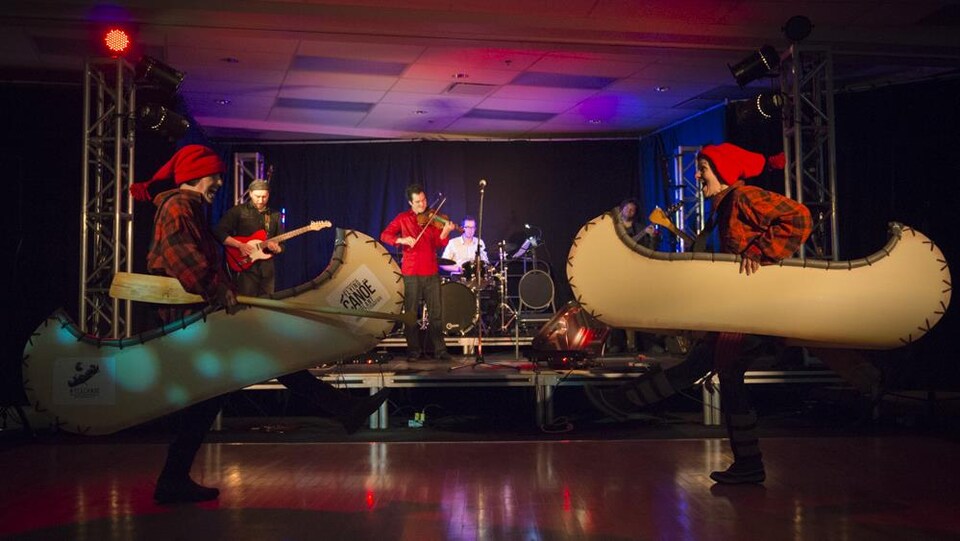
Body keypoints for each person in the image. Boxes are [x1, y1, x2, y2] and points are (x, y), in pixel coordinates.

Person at [131, 146, 388, 505]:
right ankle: (343, 409)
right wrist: (218, 288)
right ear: (194, 176)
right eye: (214, 176)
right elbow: (180, 258)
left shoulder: (187, 206)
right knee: (266, 356)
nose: (219, 182)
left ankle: (172, 480)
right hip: (192, 318)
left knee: (223, 389)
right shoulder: (178, 207)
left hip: (199, 315)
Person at [587, 143, 812, 485]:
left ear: (721, 172)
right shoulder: (723, 207)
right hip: (734, 310)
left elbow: (799, 217)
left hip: (746, 312)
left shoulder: (743, 197)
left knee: (715, 372)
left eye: (703, 168)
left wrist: (760, 250)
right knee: (715, 373)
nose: (697, 175)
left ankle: (625, 401)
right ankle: (747, 461)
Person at [380, 184, 456, 361]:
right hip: (411, 272)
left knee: (436, 314)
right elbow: (385, 235)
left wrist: (445, 231)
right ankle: (414, 350)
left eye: (424, 200)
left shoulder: (433, 218)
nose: (422, 204)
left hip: (431, 271)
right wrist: (402, 239)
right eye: (418, 202)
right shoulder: (402, 218)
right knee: (411, 314)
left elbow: (439, 242)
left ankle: (440, 350)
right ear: (410, 202)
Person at [213, 179, 283, 296]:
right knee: (246, 303)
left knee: (268, 304)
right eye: (257, 196)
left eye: (264, 197)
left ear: (269, 195)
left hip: (267, 269)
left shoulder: (275, 215)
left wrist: (277, 248)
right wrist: (240, 245)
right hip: (245, 266)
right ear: (250, 193)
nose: (261, 200)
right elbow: (219, 231)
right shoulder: (238, 211)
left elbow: (282, 245)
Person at [440, 215, 489, 286]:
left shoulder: (479, 242)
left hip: (475, 279)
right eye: (468, 227)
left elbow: (485, 262)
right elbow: (443, 265)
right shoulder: (453, 243)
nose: (470, 230)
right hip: (458, 278)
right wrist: (459, 269)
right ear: (462, 228)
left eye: (472, 227)